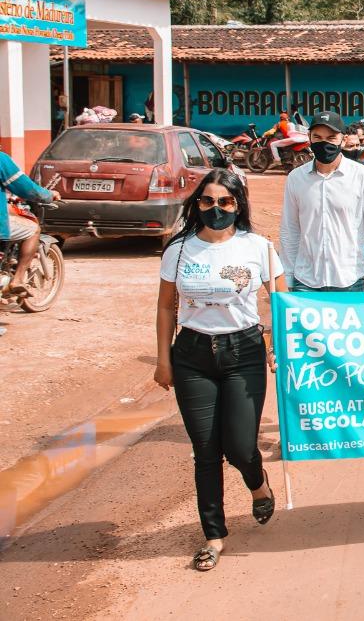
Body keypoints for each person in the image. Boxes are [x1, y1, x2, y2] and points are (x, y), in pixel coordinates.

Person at [154, 169, 282, 572]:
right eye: (207, 201)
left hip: (243, 350)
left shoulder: (259, 248)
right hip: (192, 354)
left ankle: (257, 484)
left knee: (242, 447)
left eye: (225, 202)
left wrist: (276, 345)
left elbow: (280, 303)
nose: (216, 209)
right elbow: (165, 307)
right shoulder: (178, 250)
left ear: (238, 205)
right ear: (197, 205)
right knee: (205, 452)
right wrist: (162, 358)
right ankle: (214, 536)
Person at [279, 111, 364, 293]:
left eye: (331, 137)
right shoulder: (296, 178)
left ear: (343, 139)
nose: (324, 143)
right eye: (317, 137)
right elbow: (290, 230)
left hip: (350, 280)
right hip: (306, 281)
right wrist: (289, 277)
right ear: (309, 139)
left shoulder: (361, 176)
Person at [0, 150, 59, 299]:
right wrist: (48, 195)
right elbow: (26, 188)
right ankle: (18, 280)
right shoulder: (1, 159)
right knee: (33, 229)